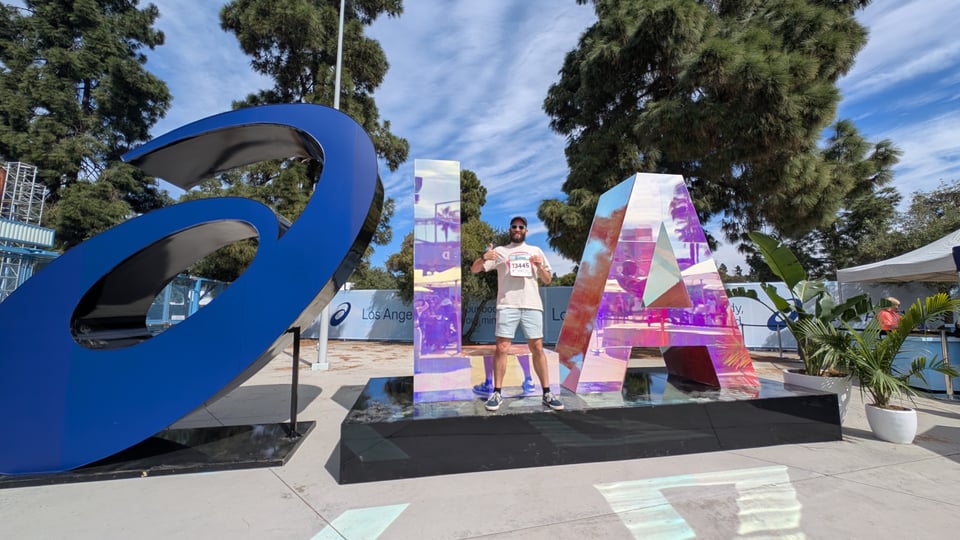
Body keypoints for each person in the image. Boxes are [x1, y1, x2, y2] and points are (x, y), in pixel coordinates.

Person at [471, 216, 563, 412]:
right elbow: (475, 269)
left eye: (521, 226)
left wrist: (539, 266)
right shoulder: (500, 252)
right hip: (507, 305)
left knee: (537, 347)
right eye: (514, 226)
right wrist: (484, 257)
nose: (518, 229)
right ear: (510, 229)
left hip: (532, 305)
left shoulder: (535, 251)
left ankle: (547, 392)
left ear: (526, 231)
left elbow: (547, 280)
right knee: (502, 348)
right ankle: (497, 393)